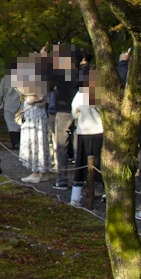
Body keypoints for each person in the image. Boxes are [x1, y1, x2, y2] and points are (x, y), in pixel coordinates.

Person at [47, 44, 84, 191]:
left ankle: (62, 179)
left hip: (63, 111)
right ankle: (79, 179)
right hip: (81, 112)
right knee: (78, 146)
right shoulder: (83, 73)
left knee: (61, 146)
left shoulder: (59, 73)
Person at [12, 53, 54, 183]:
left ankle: (37, 172)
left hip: (34, 112)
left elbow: (38, 96)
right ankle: (42, 170)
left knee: (35, 140)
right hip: (37, 111)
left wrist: (29, 97)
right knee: (39, 140)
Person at [71, 69, 105, 206]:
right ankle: (106, 192)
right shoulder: (102, 93)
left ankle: (75, 197)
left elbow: (74, 111)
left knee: (81, 163)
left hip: (84, 131)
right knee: (101, 163)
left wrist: (81, 117)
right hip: (100, 130)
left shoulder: (80, 94)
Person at [0, 65, 22, 150]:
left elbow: (0, 92)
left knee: (11, 124)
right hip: (20, 103)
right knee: (20, 123)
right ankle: (20, 141)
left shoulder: (5, 79)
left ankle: (14, 142)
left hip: (9, 104)